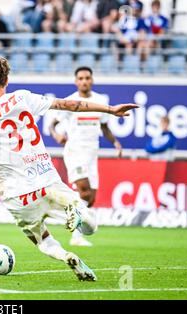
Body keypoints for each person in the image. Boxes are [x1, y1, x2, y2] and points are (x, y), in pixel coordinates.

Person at [0, 56, 137, 281]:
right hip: (46, 180)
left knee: (41, 239)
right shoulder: (22, 98)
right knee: (90, 226)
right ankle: (77, 211)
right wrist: (110, 109)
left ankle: (66, 255)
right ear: (6, 80)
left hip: (16, 195)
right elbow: (69, 105)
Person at [49, 66, 122, 247]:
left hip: (91, 154)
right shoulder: (70, 101)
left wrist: (115, 143)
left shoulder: (100, 101)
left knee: (91, 198)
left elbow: (104, 127)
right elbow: (52, 124)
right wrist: (57, 135)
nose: (84, 81)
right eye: (80, 78)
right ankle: (76, 235)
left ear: (92, 80)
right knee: (85, 192)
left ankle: (65, 211)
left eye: (87, 78)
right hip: (74, 152)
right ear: (76, 81)